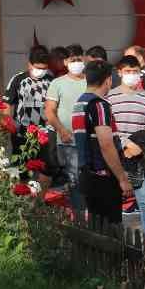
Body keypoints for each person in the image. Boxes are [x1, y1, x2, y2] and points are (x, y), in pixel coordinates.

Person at [72, 59, 133, 225]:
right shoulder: (99, 105)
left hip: (87, 173)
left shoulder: (79, 102)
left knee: (95, 227)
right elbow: (106, 144)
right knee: (111, 229)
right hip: (103, 178)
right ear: (108, 80)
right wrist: (122, 178)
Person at [107, 54, 145, 238]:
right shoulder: (110, 98)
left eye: (135, 72)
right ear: (120, 72)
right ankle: (115, 242)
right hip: (118, 156)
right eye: (128, 71)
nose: (132, 75)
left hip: (140, 158)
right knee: (114, 202)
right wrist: (125, 145)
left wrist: (141, 147)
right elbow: (110, 128)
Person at [45, 45, 89, 214]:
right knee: (75, 181)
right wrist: (61, 130)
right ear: (65, 62)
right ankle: (80, 219)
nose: (76, 63)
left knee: (88, 180)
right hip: (68, 141)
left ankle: (90, 219)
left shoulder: (90, 81)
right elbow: (49, 110)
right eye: (73, 60)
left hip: (90, 140)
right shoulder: (58, 83)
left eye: (79, 59)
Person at [4, 45, 54, 153]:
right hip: (21, 134)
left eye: (44, 68)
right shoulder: (18, 79)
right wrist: (9, 125)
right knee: (21, 166)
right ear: (29, 64)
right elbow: (6, 104)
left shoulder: (52, 81)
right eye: (38, 68)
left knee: (45, 167)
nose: (41, 71)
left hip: (45, 134)